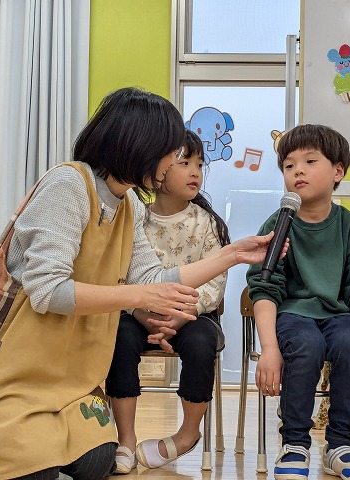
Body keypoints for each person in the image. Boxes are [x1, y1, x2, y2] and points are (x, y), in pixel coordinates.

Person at [0, 87, 283, 480]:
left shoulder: (129, 204)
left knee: (98, 462)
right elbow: (49, 290)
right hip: (11, 369)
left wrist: (233, 254)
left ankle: (46, 435)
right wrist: (142, 295)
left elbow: (152, 279)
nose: (173, 161)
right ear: (140, 144)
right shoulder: (67, 185)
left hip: (68, 377)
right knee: (33, 472)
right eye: (170, 151)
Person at [245, 124, 350, 480]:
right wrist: (269, 348)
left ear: (338, 171)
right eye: (289, 165)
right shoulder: (278, 224)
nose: (298, 171)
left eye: (309, 161)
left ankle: (341, 445)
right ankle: (294, 443)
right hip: (292, 315)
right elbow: (264, 288)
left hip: (338, 315)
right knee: (306, 343)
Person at [105, 130, 230, 473]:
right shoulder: (134, 218)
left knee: (202, 342)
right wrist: (141, 314)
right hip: (139, 313)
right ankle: (125, 439)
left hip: (192, 315)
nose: (195, 172)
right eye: (184, 163)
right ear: (157, 171)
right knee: (118, 336)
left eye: (200, 164)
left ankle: (188, 435)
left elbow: (215, 283)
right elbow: (119, 274)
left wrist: (181, 314)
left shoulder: (207, 223)